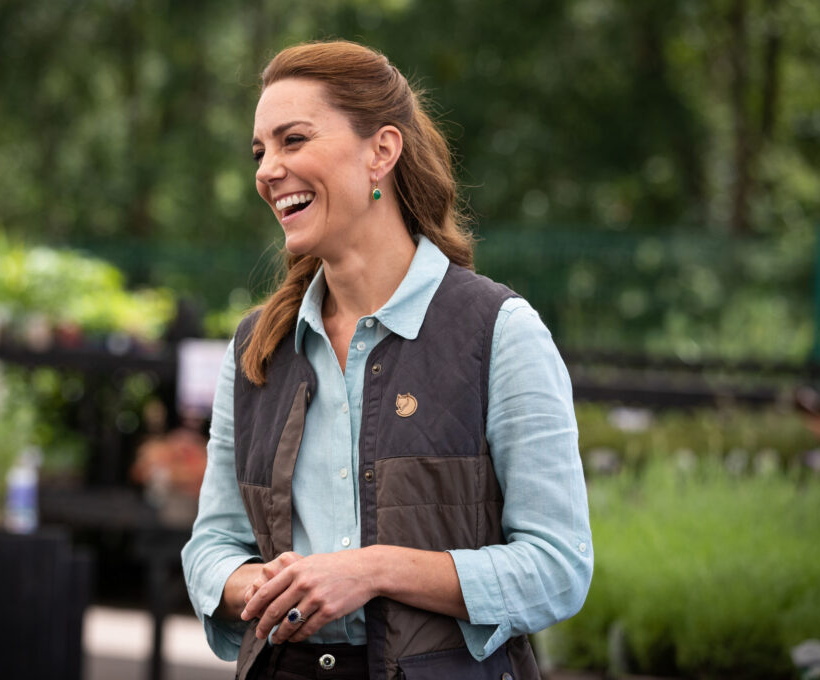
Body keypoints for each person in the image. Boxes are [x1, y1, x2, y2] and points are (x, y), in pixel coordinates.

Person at [182, 40, 593, 680]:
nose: (266, 170)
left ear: (382, 151)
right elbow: (211, 546)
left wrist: (370, 571)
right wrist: (270, 587)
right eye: (260, 151)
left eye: (293, 140)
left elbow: (559, 567)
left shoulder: (500, 333)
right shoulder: (255, 349)